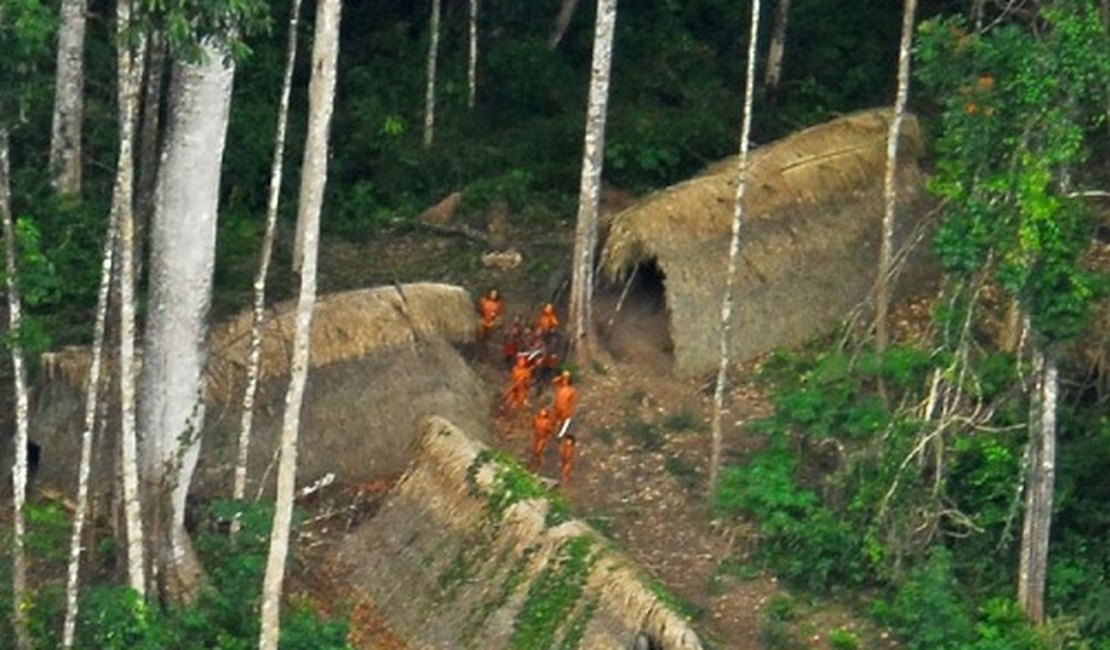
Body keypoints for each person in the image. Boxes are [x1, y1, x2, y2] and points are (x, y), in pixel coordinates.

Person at [476, 289, 504, 358]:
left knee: (487, 340)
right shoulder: (484, 301)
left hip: (492, 323)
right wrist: (480, 319)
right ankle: (479, 354)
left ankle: (485, 355)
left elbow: (500, 315)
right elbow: (478, 310)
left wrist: (495, 322)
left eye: (495, 294)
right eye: (492, 293)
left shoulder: (499, 303)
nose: (493, 295)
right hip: (482, 321)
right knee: (480, 338)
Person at [530, 407, 556, 471]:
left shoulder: (547, 422)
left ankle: (539, 463)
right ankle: (536, 462)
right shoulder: (536, 419)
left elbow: (550, 430)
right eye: (541, 411)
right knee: (534, 450)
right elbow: (533, 426)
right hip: (536, 437)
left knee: (538, 451)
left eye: (543, 412)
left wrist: (549, 435)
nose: (542, 413)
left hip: (542, 438)